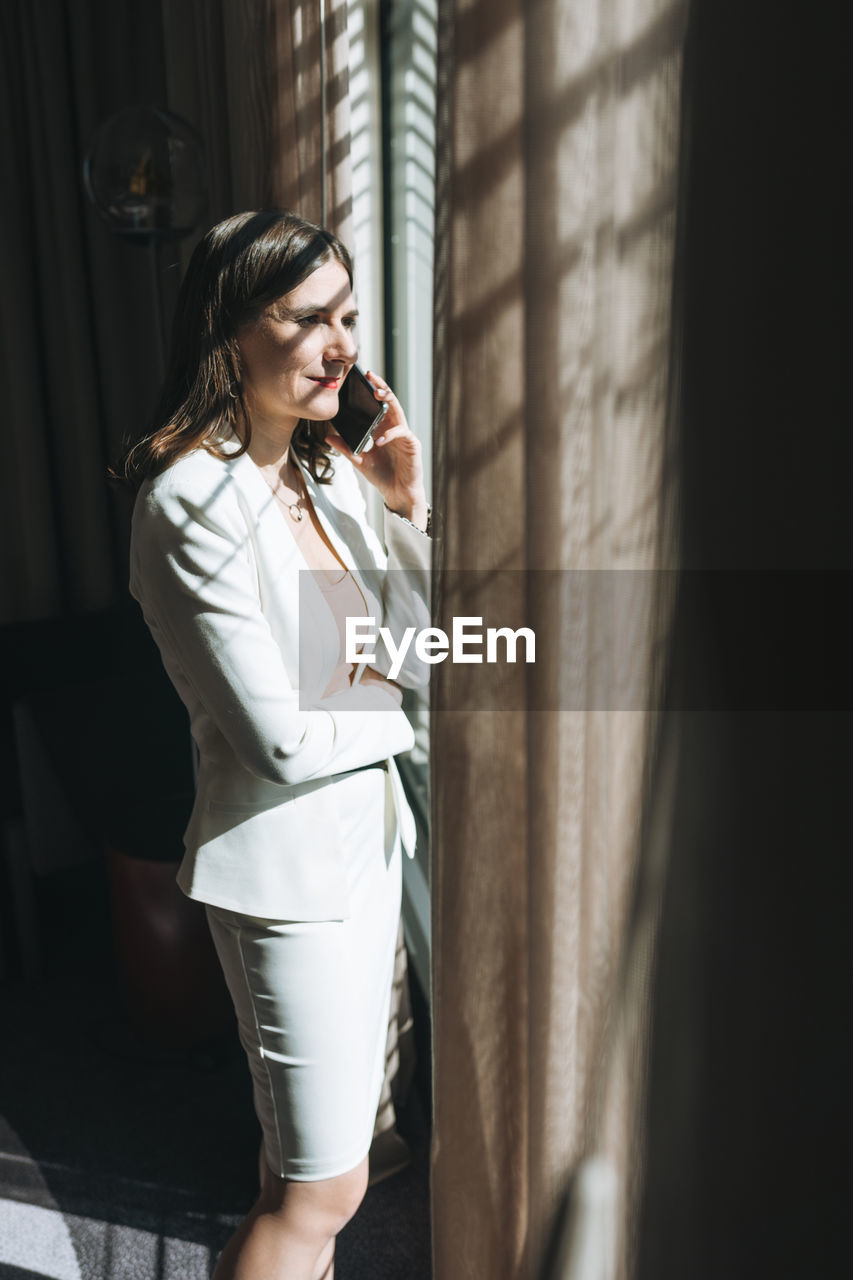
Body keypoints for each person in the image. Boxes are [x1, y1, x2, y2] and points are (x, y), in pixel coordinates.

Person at [122, 210, 431, 1280]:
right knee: (323, 1188)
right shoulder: (185, 502)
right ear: (231, 328)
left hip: (365, 844)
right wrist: (389, 688)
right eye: (309, 318)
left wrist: (401, 505)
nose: (343, 344)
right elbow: (280, 741)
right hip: (285, 874)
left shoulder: (327, 471)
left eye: (347, 315)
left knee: (314, 1163)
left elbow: (422, 652)